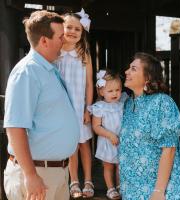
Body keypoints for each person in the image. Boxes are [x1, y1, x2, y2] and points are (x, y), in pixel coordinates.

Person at [3, 10, 79, 200]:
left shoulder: (50, 68)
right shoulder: (27, 72)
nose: (65, 40)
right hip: (37, 175)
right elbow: (15, 126)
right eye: (60, 37)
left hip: (55, 173)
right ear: (44, 41)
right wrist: (30, 175)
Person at [119, 52, 180, 200]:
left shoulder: (162, 102)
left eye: (133, 69)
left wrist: (158, 191)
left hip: (163, 191)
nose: (126, 71)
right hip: (133, 190)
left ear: (148, 77)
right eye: (129, 68)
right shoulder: (128, 104)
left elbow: (169, 149)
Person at [55, 8, 94, 199]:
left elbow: (88, 85)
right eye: (68, 27)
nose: (72, 31)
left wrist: (88, 108)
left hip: (80, 108)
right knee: (71, 146)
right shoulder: (56, 53)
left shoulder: (84, 54)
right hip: (63, 108)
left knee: (84, 143)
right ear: (62, 28)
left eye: (77, 29)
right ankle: (74, 181)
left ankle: (88, 179)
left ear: (82, 32)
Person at [88, 70, 127, 200]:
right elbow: (96, 127)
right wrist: (110, 135)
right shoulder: (100, 107)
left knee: (120, 165)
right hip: (107, 141)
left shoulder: (122, 104)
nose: (115, 93)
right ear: (101, 92)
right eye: (110, 91)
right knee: (108, 166)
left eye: (117, 90)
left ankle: (120, 186)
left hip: (121, 140)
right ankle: (110, 188)